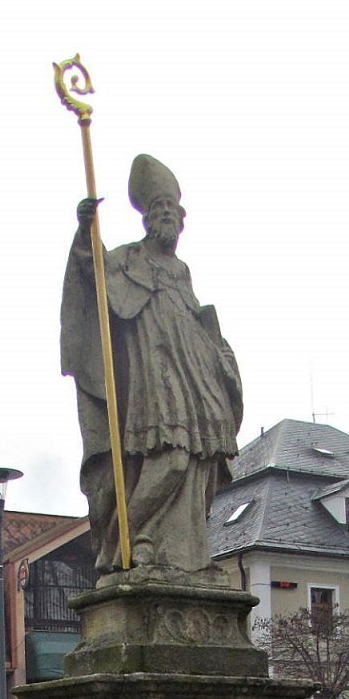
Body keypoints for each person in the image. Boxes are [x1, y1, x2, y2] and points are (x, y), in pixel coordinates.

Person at [61, 154, 243, 576]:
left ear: (182, 220)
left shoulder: (182, 271)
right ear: (147, 219)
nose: (167, 218)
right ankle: (125, 540)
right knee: (172, 459)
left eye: (172, 212)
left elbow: (197, 320)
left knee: (202, 464)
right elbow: (94, 273)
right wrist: (85, 233)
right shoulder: (129, 259)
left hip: (197, 378)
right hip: (154, 377)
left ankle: (186, 554)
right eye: (158, 209)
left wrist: (221, 357)